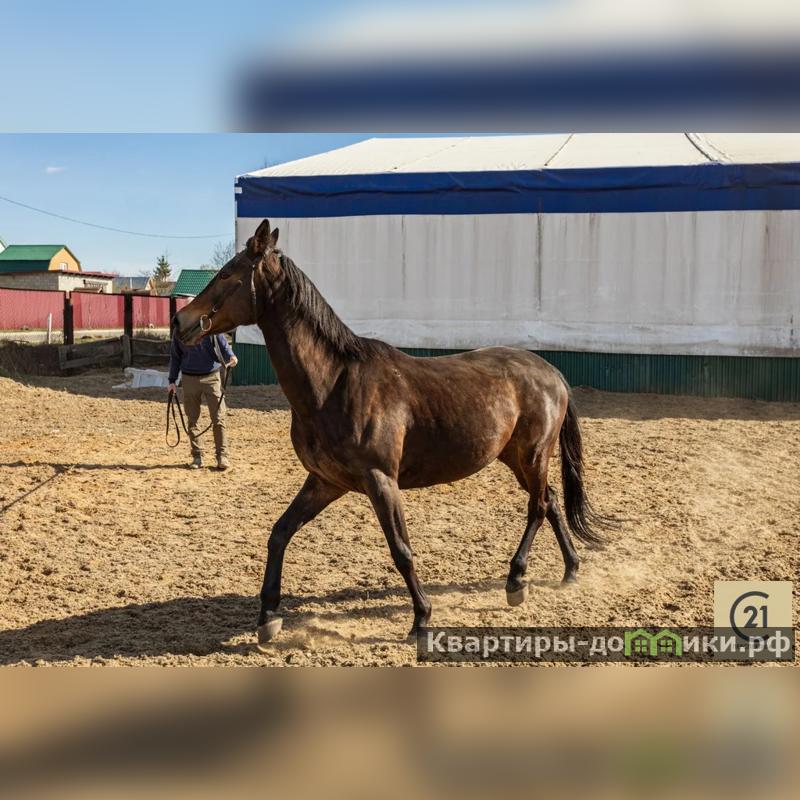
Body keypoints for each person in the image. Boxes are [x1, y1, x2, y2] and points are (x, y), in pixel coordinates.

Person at [167, 330, 238, 470]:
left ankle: (222, 456)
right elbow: (175, 356)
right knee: (192, 419)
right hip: (189, 378)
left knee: (219, 418)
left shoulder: (210, 325)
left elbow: (222, 343)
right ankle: (197, 456)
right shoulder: (180, 329)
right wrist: (172, 380)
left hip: (212, 377)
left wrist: (231, 355)